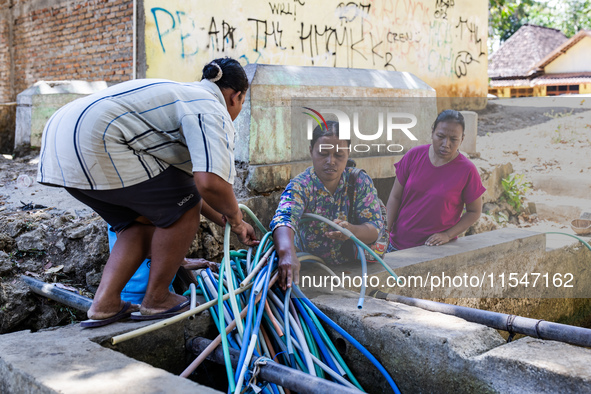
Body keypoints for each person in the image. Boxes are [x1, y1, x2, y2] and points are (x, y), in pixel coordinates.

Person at [37, 57, 258, 327]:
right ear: (235, 96)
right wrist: (236, 219)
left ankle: (105, 303)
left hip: (59, 142)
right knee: (183, 211)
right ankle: (157, 299)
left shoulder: (182, 96)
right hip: (96, 138)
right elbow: (209, 183)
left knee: (138, 225)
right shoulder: (211, 108)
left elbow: (189, 189)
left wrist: (228, 220)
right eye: (242, 102)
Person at [270, 121, 386, 290]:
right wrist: (287, 254)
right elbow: (284, 218)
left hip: (352, 268)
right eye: (323, 153)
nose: (331, 161)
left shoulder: (359, 181)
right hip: (309, 268)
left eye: (339, 155)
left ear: (348, 153)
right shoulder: (302, 185)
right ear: (311, 152)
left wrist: (351, 231)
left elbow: (375, 228)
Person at [386, 109, 485, 251]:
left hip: (434, 250)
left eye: (453, 139)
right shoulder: (414, 155)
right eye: (441, 136)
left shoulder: (467, 170)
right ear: (432, 132)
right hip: (396, 244)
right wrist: (385, 232)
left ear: (462, 139)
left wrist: (448, 235)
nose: (446, 144)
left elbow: (474, 212)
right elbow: (395, 197)